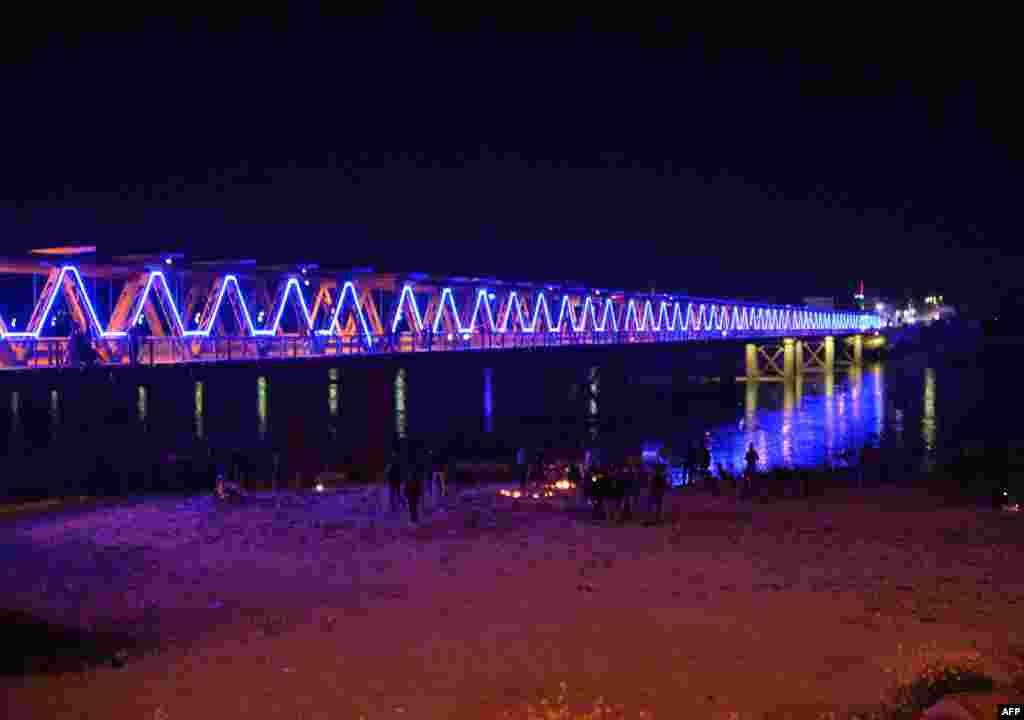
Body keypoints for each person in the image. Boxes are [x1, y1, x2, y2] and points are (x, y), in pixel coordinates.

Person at [650, 453, 669, 523]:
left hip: (657, 490)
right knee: (657, 505)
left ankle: (656, 518)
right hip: (657, 490)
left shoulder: (658, 475)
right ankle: (656, 518)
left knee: (657, 505)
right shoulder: (658, 475)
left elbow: (662, 482)